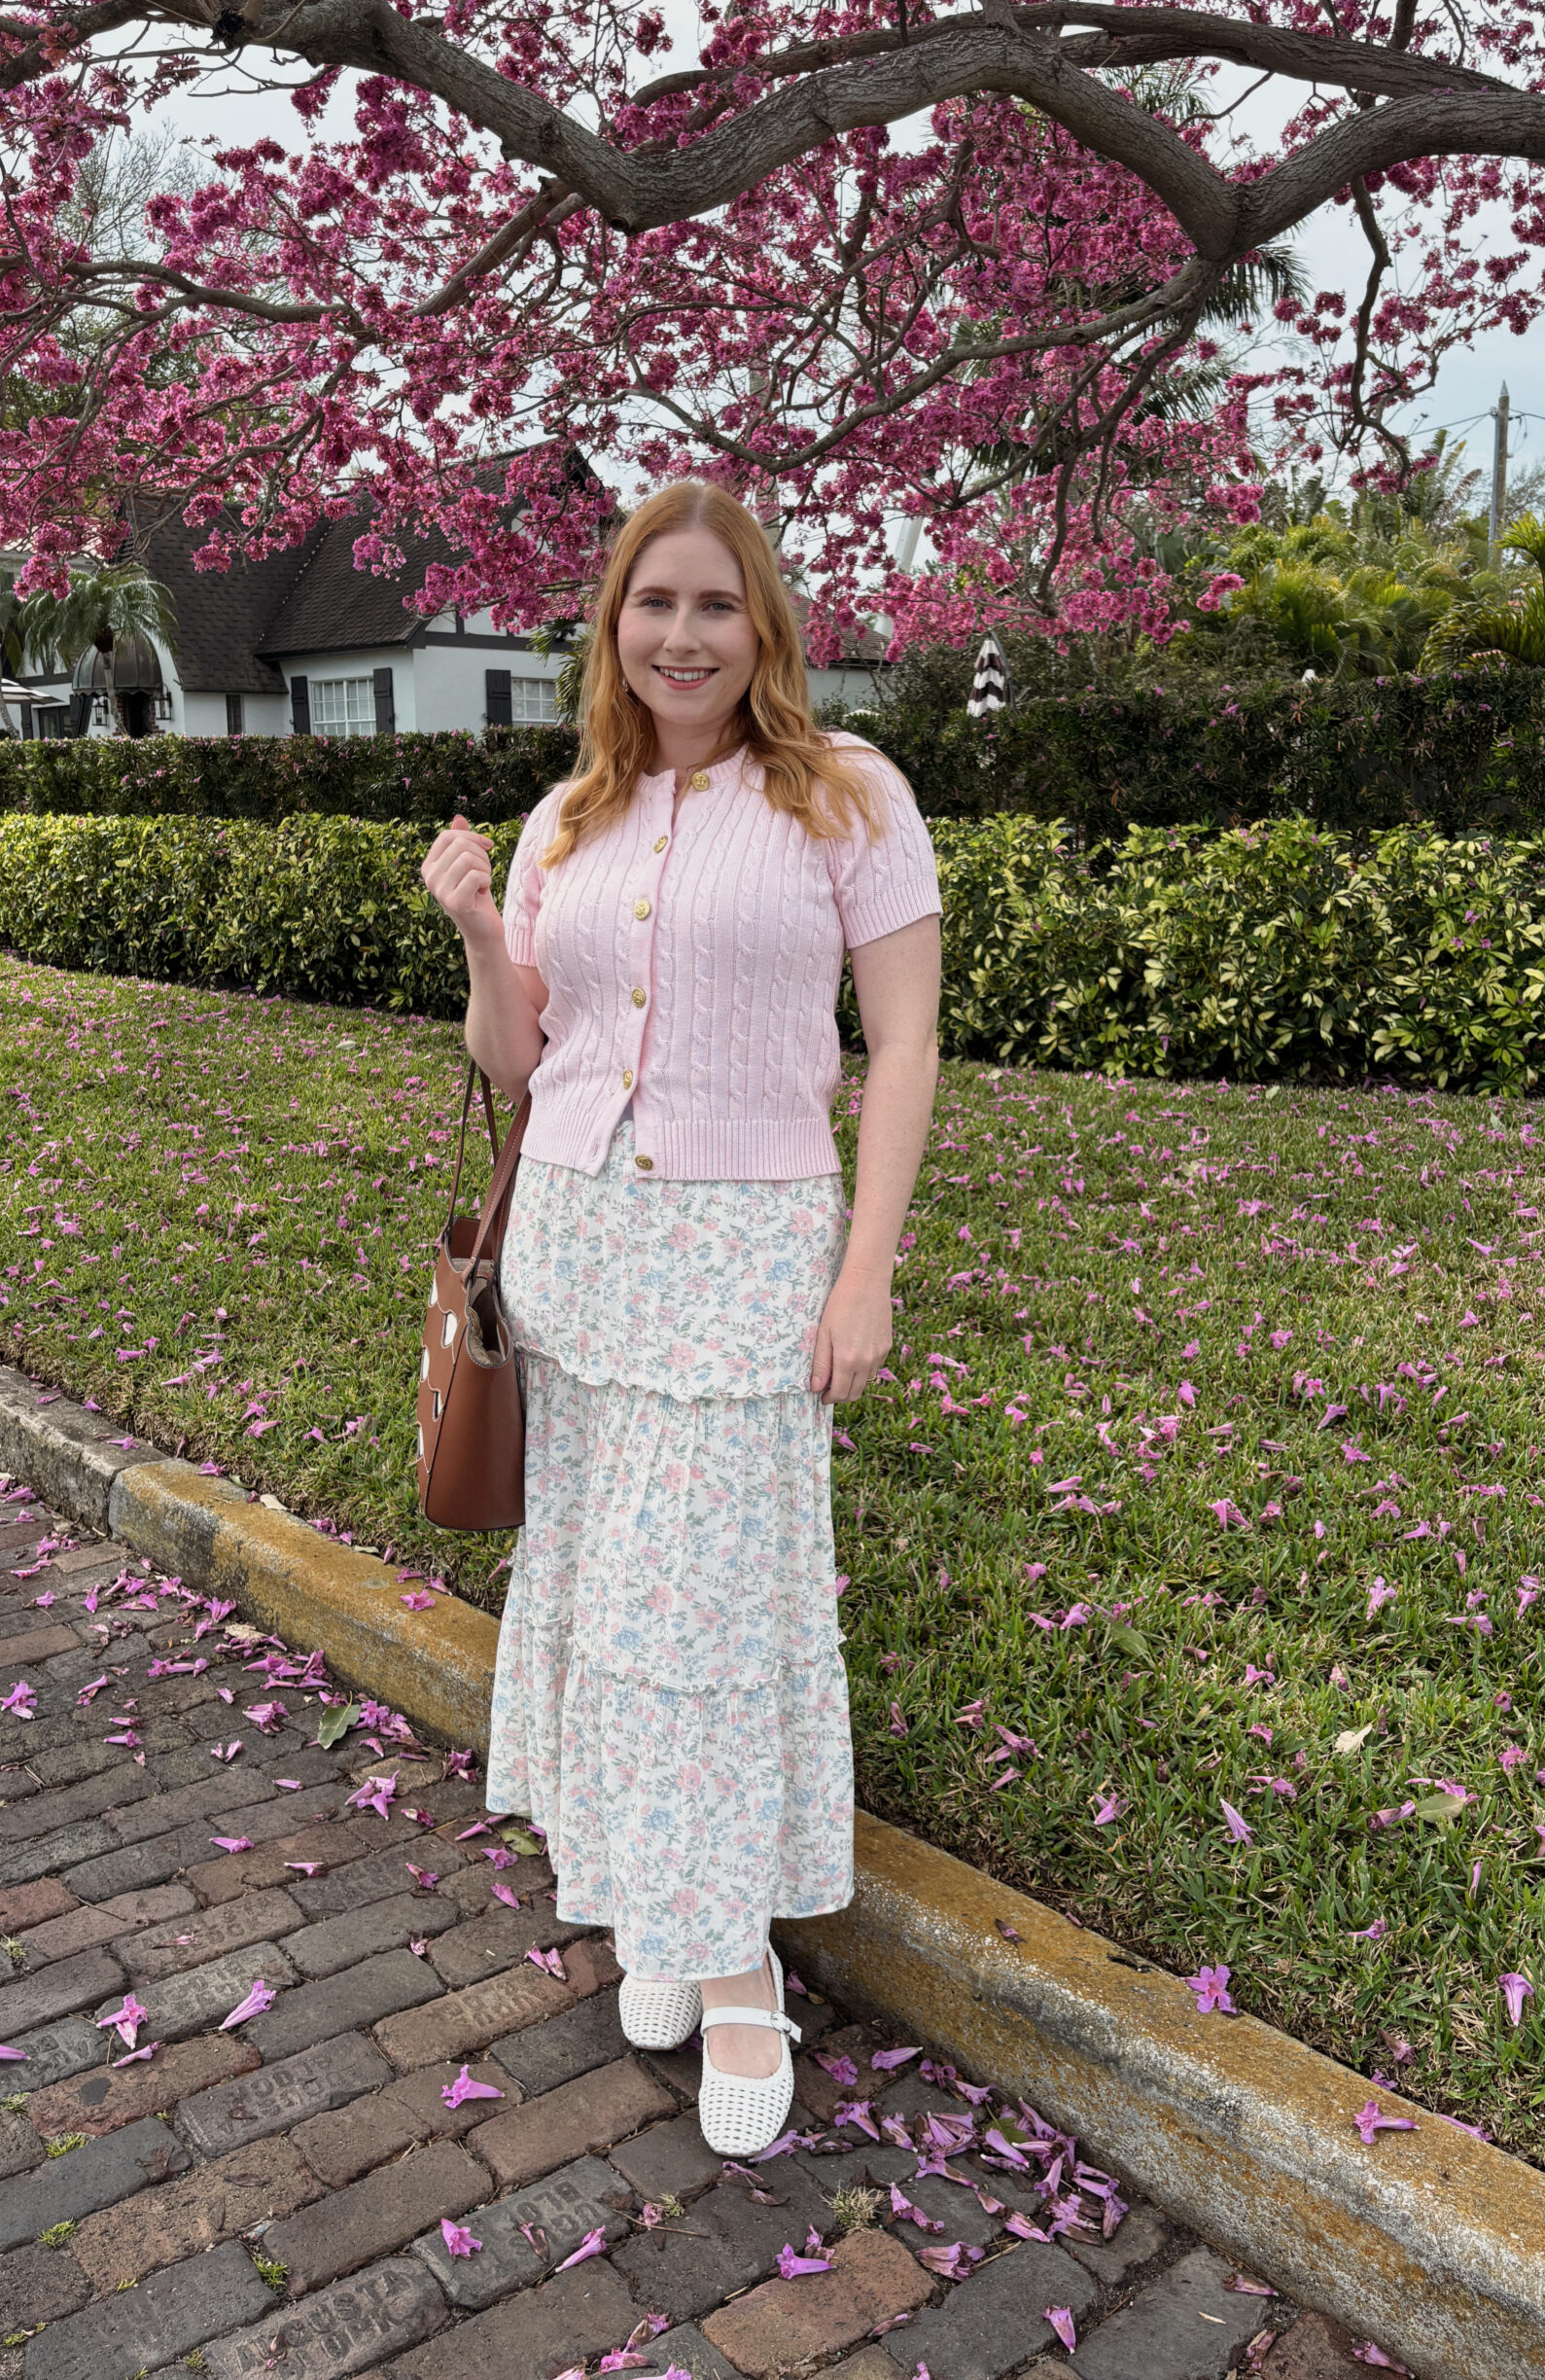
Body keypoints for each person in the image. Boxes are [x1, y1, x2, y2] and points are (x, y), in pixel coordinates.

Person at [420, 480, 941, 2158]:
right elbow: (517, 1060)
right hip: (578, 1252)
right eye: (655, 607)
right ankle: (656, 1896)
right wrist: (487, 935)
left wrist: (865, 1272)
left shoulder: (847, 798)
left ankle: (734, 1969)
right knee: (600, 1592)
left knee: (707, 1613)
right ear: (613, 626)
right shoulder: (571, 809)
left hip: (743, 1257)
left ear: (763, 623)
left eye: (715, 606)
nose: (683, 637)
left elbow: (907, 1052)